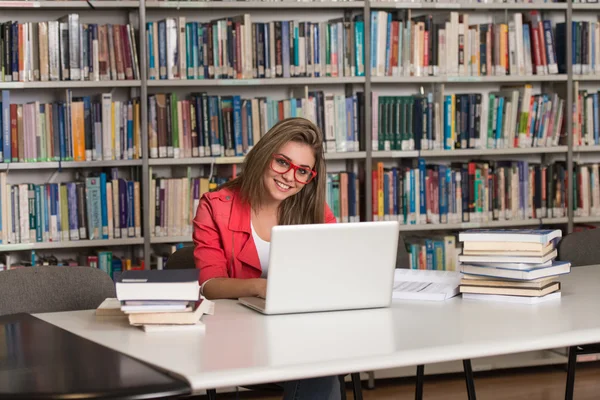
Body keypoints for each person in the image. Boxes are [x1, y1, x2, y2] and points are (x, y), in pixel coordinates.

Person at [192, 117, 341, 400]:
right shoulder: (216, 207)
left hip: (304, 328)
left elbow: (333, 271)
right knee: (319, 365)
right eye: (282, 163)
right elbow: (209, 284)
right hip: (240, 332)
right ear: (263, 155)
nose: (289, 177)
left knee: (321, 358)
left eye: (303, 171)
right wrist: (261, 287)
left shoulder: (314, 210)